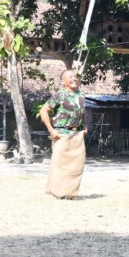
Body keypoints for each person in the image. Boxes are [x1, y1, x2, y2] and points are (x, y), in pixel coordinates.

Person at [40, 69, 88, 199]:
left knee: (76, 166)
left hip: (77, 135)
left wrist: (85, 126)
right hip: (61, 134)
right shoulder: (59, 95)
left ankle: (71, 194)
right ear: (63, 82)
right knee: (59, 165)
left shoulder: (81, 95)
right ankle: (56, 192)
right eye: (70, 77)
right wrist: (51, 130)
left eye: (75, 76)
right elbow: (44, 111)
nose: (74, 78)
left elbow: (82, 113)